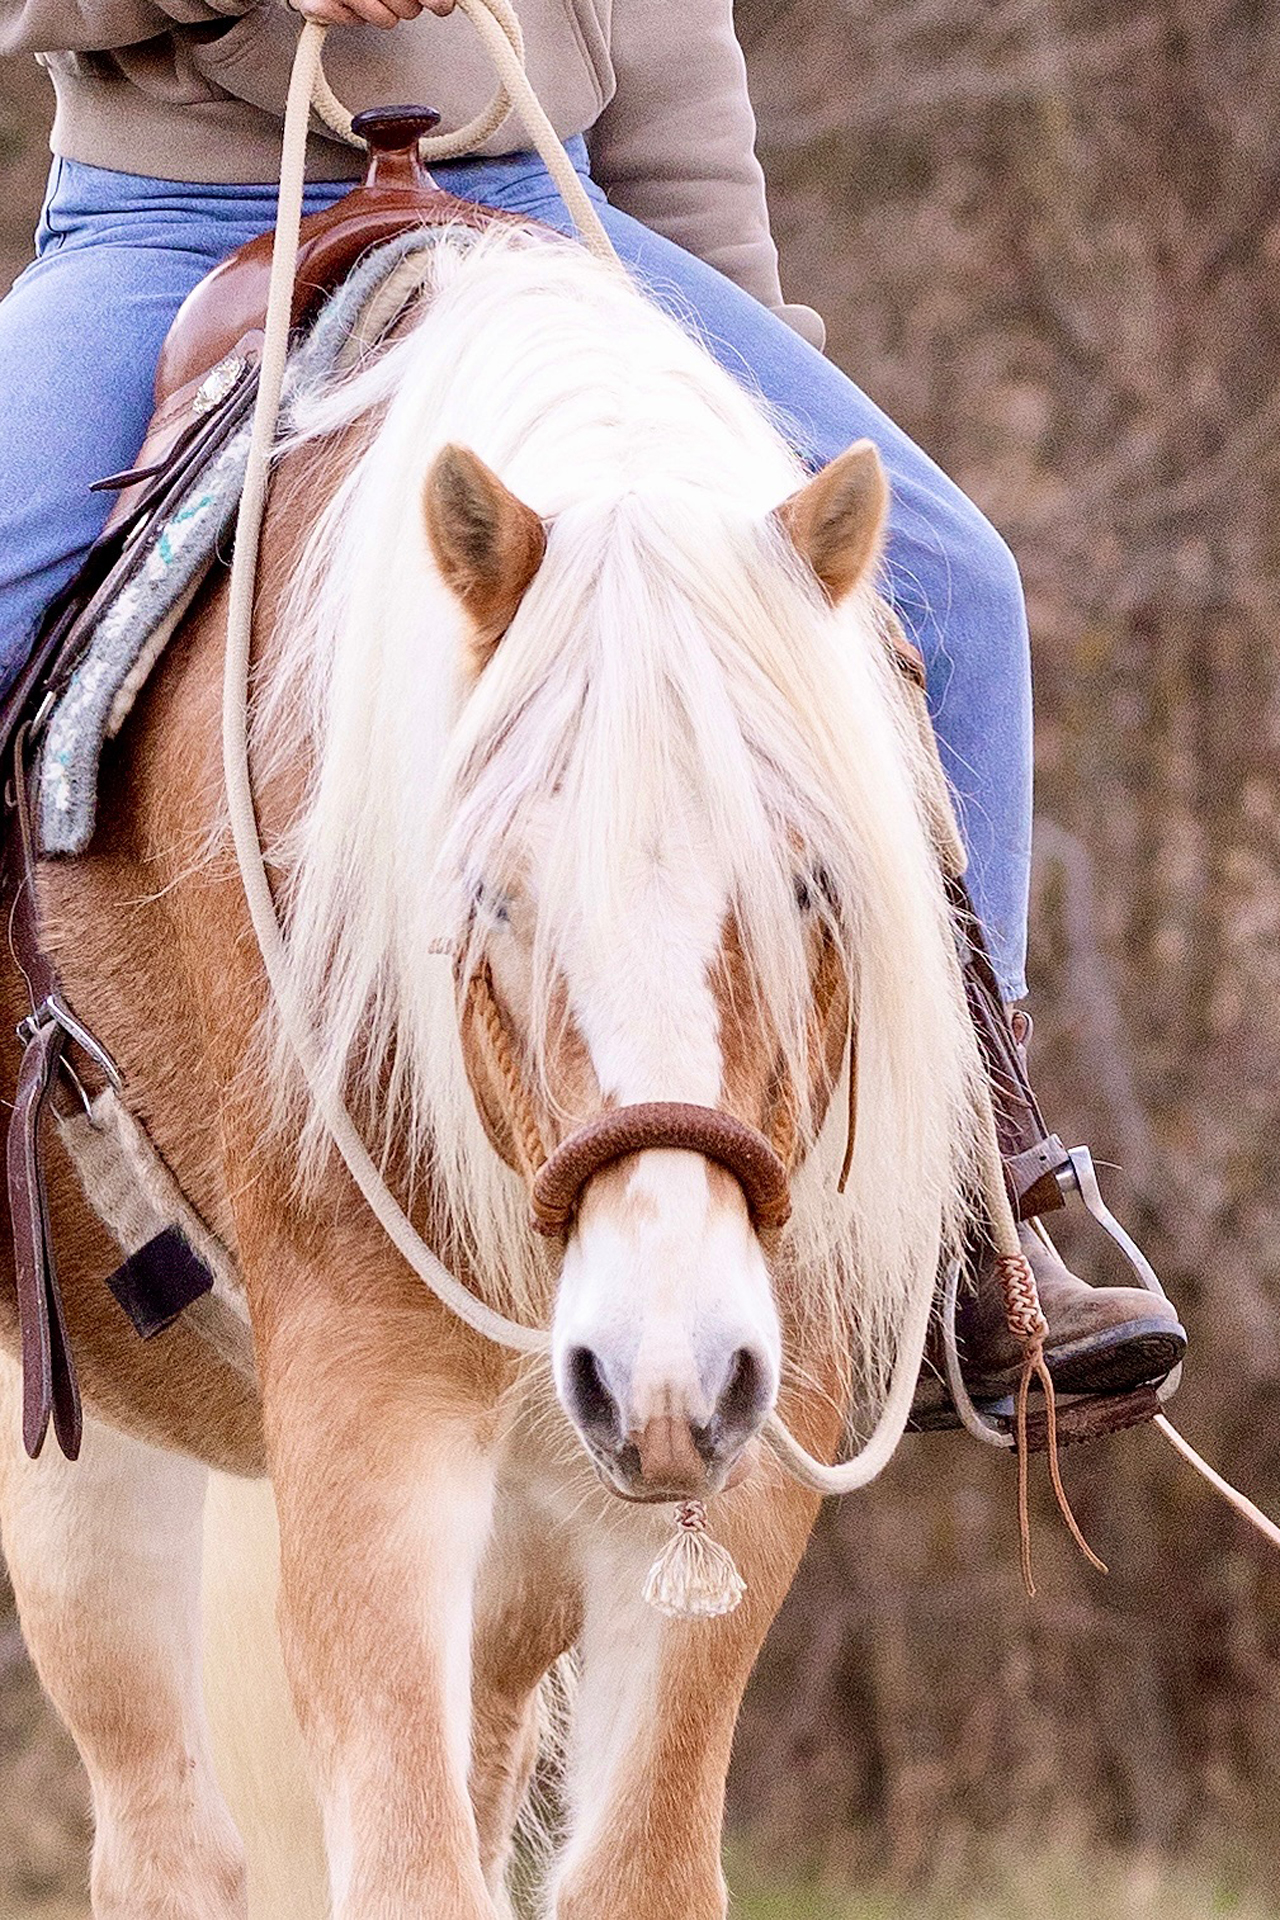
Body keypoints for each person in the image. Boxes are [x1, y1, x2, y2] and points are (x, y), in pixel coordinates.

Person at [0, 0, 1184, 1417]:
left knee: (954, 594)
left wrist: (740, 342)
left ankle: (965, 1205)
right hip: (171, 218)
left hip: (552, 206)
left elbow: (673, 60)